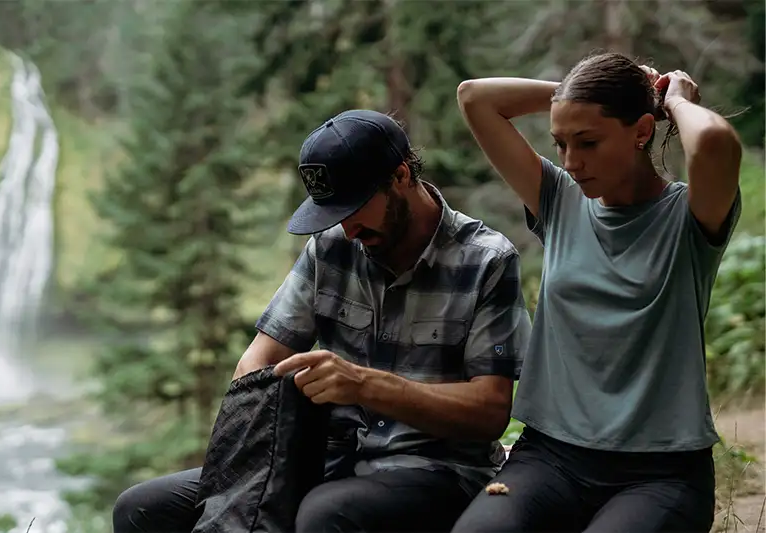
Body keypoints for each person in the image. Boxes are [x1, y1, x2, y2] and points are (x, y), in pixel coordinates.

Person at [112, 109, 533, 533]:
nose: (347, 230)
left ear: (401, 176)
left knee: (325, 515)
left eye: (354, 208)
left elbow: (490, 412)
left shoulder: (486, 260)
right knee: (143, 507)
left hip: (438, 469)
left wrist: (365, 385)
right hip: (324, 460)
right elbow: (257, 362)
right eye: (332, 214)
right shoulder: (330, 245)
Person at [451, 52, 743, 533]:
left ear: (642, 131)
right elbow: (475, 97)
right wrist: (582, 99)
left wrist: (673, 99)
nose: (571, 161)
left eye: (587, 142)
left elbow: (713, 141)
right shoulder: (558, 200)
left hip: (660, 472)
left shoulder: (690, 217)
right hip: (549, 456)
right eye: (561, 143)